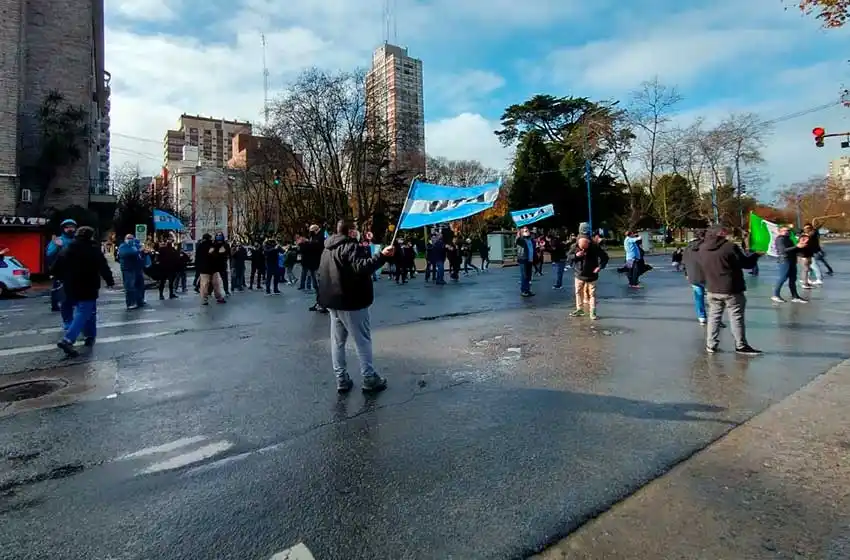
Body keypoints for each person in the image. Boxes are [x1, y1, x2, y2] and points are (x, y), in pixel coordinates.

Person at [317, 219, 394, 393]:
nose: (358, 232)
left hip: (333, 302)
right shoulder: (351, 247)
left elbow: (321, 275)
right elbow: (363, 267)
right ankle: (369, 377)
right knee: (362, 341)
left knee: (337, 343)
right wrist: (382, 256)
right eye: (356, 229)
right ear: (351, 232)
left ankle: (341, 378)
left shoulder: (326, 249)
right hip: (352, 301)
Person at [696, 225, 762, 355]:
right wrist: (756, 255)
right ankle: (741, 345)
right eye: (725, 232)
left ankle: (711, 344)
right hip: (731, 288)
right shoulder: (730, 247)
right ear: (721, 233)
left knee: (714, 317)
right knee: (736, 317)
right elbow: (746, 264)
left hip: (712, 288)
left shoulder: (702, 248)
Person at [50, 226, 114, 357]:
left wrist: (61, 277)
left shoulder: (68, 248)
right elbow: (103, 266)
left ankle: (89, 335)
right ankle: (69, 339)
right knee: (85, 311)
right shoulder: (93, 249)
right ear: (91, 236)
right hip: (88, 285)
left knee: (85, 310)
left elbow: (55, 267)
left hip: (70, 285)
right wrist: (109, 281)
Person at [567, 236, 608, 319]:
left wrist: (600, 267)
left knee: (592, 294)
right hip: (579, 274)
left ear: (589, 243)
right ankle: (579, 309)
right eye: (581, 248)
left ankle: (593, 312)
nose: (583, 250)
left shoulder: (595, 247)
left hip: (592, 275)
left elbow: (605, 257)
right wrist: (576, 255)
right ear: (578, 243)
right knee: (578, 292)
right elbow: (568, 257)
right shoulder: (574, 247)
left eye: (585, 247)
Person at [46, 219, 77, 313]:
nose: (70, 229)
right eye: (67, 227)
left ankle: (72, 302)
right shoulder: (59, 240)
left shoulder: (76, 240)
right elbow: (49, 254)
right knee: (58, 286)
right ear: (63, 229)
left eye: (72, 227)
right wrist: (57, 246)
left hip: (74, 267)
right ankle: (55, 305)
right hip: (61, 268)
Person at [772, 224, 807, 304]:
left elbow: (793, 249)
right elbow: (783, 250)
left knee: (793, 279)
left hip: (791, 260)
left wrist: (800, 246)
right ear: (780, 232)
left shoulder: (789, 239)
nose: (787, 232)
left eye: (788, 231)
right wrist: (797, 246)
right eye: (785, 231)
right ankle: (776, 295)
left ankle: (795, 296)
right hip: (785, 260)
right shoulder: (780, 239)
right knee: (783, 278)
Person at [683, 230, 709, 325]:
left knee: (699, 296)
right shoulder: (707, 246)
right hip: (707, 276)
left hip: (693, 276)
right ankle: (716, 317)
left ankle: (702, 317)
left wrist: (686, 273)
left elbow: (684, 262)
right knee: (714, 298)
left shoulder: (687, 248)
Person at [117, 233, 146, 310]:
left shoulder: (135, 245)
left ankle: (140, 301)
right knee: (130, 286)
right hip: (128, 269)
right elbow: (125, 253)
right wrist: (139, 251)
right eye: (129, 238)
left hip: (137, 268)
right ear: (125, 239)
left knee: (140, 285)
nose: (130, 240)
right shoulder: (123, 246)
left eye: (132, 238)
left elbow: (141, 253)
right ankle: (131, 303)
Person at [196, 233, 226, 305]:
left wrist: (198, 267)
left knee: (204, 285)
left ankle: (204, 299)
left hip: (204, 269)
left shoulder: (200, 246)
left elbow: (198, 258)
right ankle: (219, 297)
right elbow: (217, 255)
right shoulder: (212, 246)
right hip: (212, 268)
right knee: (216, 284)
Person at [516, 227, 534, 297]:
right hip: (523, 260)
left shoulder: (530, 240)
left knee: (528, 276)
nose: (529, 232)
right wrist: (519, 232)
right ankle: (523, 290)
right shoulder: (521, 240)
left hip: (529, 260)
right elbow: (517, 240)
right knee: (524, 276)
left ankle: (527, 290)